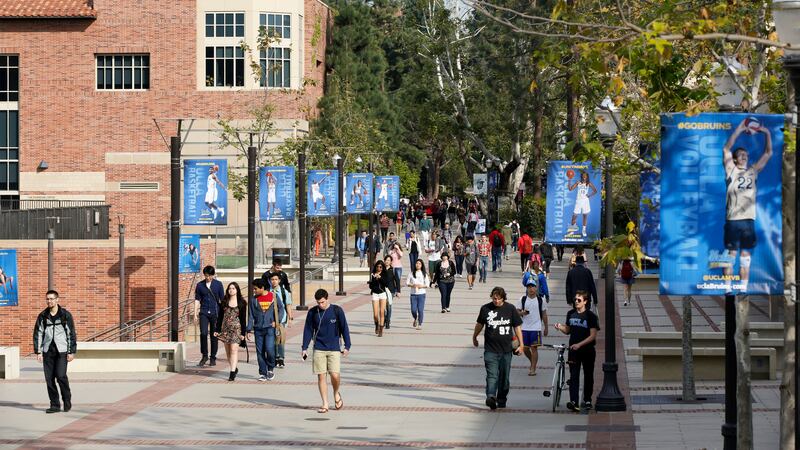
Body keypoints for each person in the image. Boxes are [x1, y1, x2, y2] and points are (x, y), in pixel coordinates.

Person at [722, 117, 774, 293]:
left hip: (748, 220)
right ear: (736, 159)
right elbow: (726, 148)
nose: (744, 156)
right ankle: (727, 289)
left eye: (746, 155)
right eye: (741, 155)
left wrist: (766, 133)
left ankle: (743, 290)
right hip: (734, 219)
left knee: (745, 257)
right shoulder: (731, 170)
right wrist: (739, 128)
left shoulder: (753, 170)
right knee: (731, 255)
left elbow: (768, 153)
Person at [472, 286, 524, 410]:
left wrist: (521, 345)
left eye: (498, 299)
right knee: (492, 375)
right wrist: (474, 336)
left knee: (504, 378)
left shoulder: (510, 309)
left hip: (506, 350)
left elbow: (517, 327)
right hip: (490, 350)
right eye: (494, 298)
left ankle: (501, 399)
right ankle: (490, 396)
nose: (496, 301)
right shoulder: (485, 308)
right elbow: (479, 324)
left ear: (503, 298)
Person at [301, 289, 352, 414]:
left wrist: (347, 346)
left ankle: (336, 393)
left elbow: (344, 328)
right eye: (318, 302)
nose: (320, 305)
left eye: (322, 302)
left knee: (335, 375)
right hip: (319, 348)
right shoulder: (313, 312)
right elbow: (308, 330)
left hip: (334, 347)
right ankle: (325, 403)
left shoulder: (337, 310)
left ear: (327, 298)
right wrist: (304, 348)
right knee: (321, 376)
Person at [554, 290, 600, 412]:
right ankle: (574, 401)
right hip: (573, 351)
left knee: (588, 375)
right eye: (575, 299)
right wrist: (560, 327)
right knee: (574, 376)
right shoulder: (571, 314)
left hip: (588, 351)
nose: (576, 302)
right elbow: (568, 330)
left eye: (579, 300)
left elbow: (593, 335)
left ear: (585, 301)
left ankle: (587, 399)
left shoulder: (591, 316)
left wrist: (580, 345)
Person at [33, 290, 76, 413]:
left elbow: (71, 334)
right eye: (47, 299)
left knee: (61, 376)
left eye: (52, 299)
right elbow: (38, 333)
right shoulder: (42, 316)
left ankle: (67, 400)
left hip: (62, 351)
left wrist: (71, 351)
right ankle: (55, 405)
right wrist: (39, 352)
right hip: (48, 351)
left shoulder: (65, 315)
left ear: (57, 300)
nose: (49, 301)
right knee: (49, 378)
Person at [246, 278, 284, 381]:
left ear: (262, 288)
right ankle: (263, 372)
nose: (254, 291)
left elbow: (281, 309)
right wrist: (248, 330)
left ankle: (270, 369)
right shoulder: (254, 300)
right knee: (260, 352)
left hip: (270, 329)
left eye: (255, 289)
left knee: (270, 349)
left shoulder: (274, 297)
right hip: (258, 329)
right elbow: (251, 316)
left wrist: (277, 321)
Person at [214, 282, 247, 381]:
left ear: (237, 290)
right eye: (229, 288)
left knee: (234, 350)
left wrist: (243, 333)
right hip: (225, 330)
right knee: (228, 352)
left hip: (237, 330)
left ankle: (232, 372)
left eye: (233, 288)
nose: (231, 290)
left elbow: (243, 319)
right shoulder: (224, 302)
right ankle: (234, 367)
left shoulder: (242, 303)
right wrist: (217, 329)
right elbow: (220, 318)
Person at [516, 278, 548, 376]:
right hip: (524, 327)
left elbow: (544, 314)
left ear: (536, 287)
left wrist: (546, 327)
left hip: (536, 328)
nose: (531, 289)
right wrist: (522, 313)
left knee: (534, 348)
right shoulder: (522, 299)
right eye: (529, 287)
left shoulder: (541, 300)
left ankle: (533, 368)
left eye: (532, 286)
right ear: (526, 288)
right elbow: (517, 312)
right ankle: (532, 362)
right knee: (525, 349)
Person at [194, 265, 224, 366]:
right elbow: (197, 299)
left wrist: (223, 315)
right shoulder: (200, 285)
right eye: (206, 276)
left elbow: (222, 300)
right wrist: (195, 313)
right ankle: (204, 355)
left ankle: (213, 357)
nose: (208, 278)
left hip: (215, 312)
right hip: (203, 312)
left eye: (210, 276)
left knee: (214, 335)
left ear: (213, 275)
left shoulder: (218, 284)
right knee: (203, 333)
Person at [269, 272, 293, 367]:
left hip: (281, 320)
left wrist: (290, 318)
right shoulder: (268, 292)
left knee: (280, 339)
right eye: (272, 279)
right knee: (273, 339)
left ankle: (281, 358)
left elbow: (288, 305)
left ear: (279, 281)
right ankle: (275, 357)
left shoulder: (284, 292)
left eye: (276, 279)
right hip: (271, 320)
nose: (274, 281)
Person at [566, 171, 598, 238]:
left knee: (585, 216)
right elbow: (570, 189)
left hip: (585, 201)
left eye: (585, 176)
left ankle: (584, 230)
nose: (584, 177)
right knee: (574, 216)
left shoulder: (589, 183)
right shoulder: (578, 182)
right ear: (581, 176)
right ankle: (572, 230)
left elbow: (595, 191)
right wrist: (569, 181)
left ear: (587, 177)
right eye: (583, 176)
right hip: (578, 201)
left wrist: (589, 195)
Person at [369, 260, 390, 337]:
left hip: (382, 294)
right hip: (375, 294)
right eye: (377, 266)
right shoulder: (373, 274)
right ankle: (376, 324)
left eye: (380, 267)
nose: (379, 268)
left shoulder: (385, 273)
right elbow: (371, 286)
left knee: (382, 312)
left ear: (382, 267)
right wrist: (374, 279)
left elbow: (386, 284)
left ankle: (381, 329)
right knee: (375, 314)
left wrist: (380, 278)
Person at [406, 259, 429, 330]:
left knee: (420, 310)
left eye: (419, 263)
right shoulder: (411, 273)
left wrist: (421, 286)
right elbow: (407, 283)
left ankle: (420, 323)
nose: (418, 265)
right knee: (413, 309)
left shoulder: (424, 274)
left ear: (422, 265)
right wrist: (413, 285)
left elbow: (427, 284)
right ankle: (415, 318)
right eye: (417, 263)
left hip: (421, 294)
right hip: (413, 294)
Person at [382, 255, 398, 330]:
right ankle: (385, 318)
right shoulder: (381, 269)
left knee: (389, 306)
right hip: (382, 290)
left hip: (391, 290)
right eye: (386, 260)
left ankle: (387, 321)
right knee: (383, 307)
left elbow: (397, 280)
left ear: (391, 262)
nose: (387, 261)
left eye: (388, 260)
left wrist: (398, 291)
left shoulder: (393, 270)